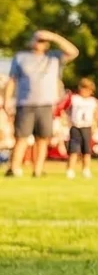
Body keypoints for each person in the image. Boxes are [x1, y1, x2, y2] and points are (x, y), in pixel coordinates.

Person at [8, 29, 76, 177]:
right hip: (25, 103)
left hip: (46, 104)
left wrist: (53, 36)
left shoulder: (54, 58)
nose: (40, 43)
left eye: (43, 41)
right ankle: (14, 169)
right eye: (37, 40)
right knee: (21, 138)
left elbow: (74, 52)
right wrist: (8, 101)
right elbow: (12, 80)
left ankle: (37, 170)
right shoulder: (21, 57)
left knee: (43, 139)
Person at [63, 77, 98, 178]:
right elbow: (65, 110)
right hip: (75, 126)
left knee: (86, 150)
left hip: (87, 127)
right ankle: (70, 169)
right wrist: (66, 121)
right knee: (73, 150)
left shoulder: (93, 101)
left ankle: (86, 169)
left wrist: (95, 125)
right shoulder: (74, 99)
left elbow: (96, 114)